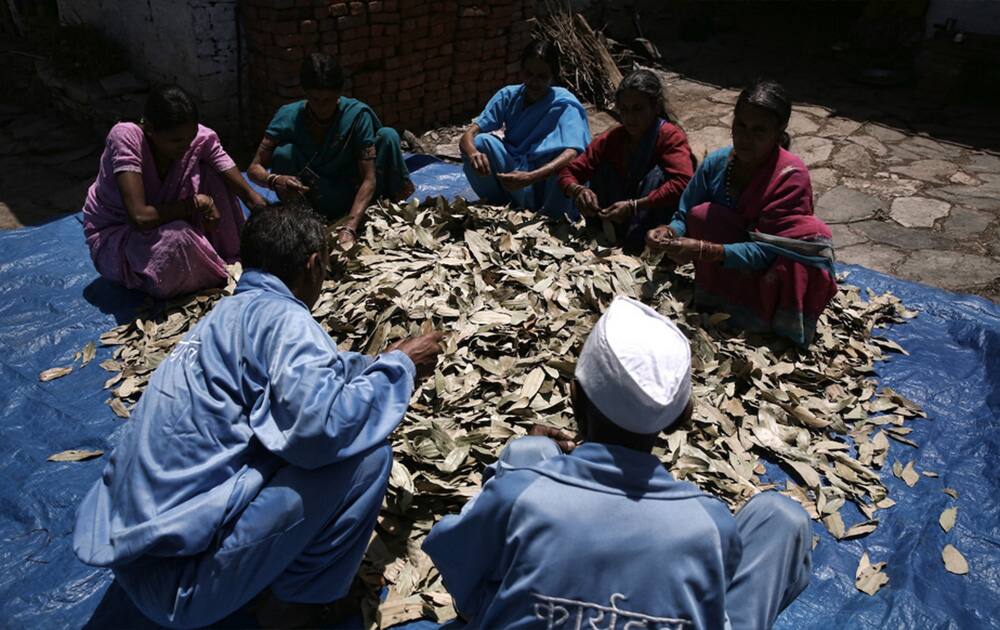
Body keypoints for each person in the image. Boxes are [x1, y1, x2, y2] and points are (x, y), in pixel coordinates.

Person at [73, 204, 444, 629]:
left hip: (132, 560)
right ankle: (297, 606)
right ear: (313, 264)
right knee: (367, 457)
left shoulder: (224, 318)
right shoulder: (287, 320)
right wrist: (401, 370)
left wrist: (378, 363)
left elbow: (314, 381)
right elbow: (319, 432)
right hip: (183, 586)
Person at [424, 296, 812, 630]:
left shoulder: (520, 493)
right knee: (780, 517)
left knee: (526, 453)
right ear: (681, 418)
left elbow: (461, 578)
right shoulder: (709, 524)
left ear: (574, 396)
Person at [647, 80, 837, 346]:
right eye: (741, 126)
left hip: (773, 263)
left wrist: (703, 249)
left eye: (759, 131)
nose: (746, 138)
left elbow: (769, 250)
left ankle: (765, 319)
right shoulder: (718, 163)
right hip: (732, 257)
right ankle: (718, 301)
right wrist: (669, 232)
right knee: (702, 215)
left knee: (793, 266)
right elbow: (685, 212)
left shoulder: (790, 177)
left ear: (778, 133)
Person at [83, 85, 266, 299]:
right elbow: (139, 217)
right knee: (176, 241)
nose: (186, 146)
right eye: (176, 141)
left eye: (190, 138)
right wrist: (198, 203)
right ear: (149, 128)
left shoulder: (198, 138)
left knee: (213, 174)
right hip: (122, 236)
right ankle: (216, 270)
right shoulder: (126, 137)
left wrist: (259, 206)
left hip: (172, 220)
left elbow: (228, 169)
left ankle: (226, 257)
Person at [248, 53, 414, 247]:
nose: (321, 106)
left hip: (353, 191)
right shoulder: (288, 116)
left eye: (328, 99)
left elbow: (369, 178)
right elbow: (254, 168)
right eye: (315, 99)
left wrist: (349, 228)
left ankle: (378, 210)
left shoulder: (356, 116)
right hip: (313, 195)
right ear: (305, 93)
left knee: (388, 136)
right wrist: (275, 180)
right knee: (284, 153)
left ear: (339, 94)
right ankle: (306, 223)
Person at [559, 69, 695, 253]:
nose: (630, 117)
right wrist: (578, 190)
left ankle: (641, 245)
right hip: (614, 219)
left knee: (657, 175)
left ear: (655, 107)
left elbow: (683, 182)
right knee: (603, 168)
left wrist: (634, 206)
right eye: (624, 110)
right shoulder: (613, 138)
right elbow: (568, 173)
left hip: (654, 222)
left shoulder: (669, 137)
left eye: (638, 109)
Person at [460, 40, 591, 219]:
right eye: (529, 74)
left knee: (566, 164)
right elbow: (469, 134)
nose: (534, 82)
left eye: (542, 77)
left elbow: (574, 152)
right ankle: (499, 205)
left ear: (553, 76)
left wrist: (530, 177)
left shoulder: (565, 104)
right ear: (521, 71)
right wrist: (473, 153)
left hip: (545, 179)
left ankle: (553, 218)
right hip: (515, 172)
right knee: (481, 143)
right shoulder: (508, 96)